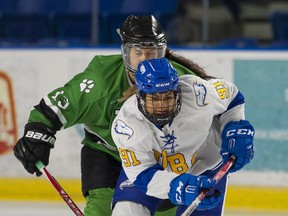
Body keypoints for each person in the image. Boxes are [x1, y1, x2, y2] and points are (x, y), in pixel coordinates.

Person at [12, 15, 215, 216]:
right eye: (138, 52)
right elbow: (53, 107)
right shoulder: (100, 82)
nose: (145, 60)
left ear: (162, 52)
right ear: (125, 53)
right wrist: (36, 136)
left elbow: (218, 111)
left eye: (151, 52)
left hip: (158, 162)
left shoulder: (182, 83)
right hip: (107, 156)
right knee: (100, 210)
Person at [111, 57, 255, 215]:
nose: (161, 105)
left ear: (177, 91)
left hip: (205, 167)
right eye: (154, 98)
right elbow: (142, 175)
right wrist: (177, 184)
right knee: (126, 211)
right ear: (140, 96)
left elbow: (232, 96)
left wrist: (235, 128)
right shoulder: (127, 126)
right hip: (152, 171)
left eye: (167, 96)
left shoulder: (197, 93)